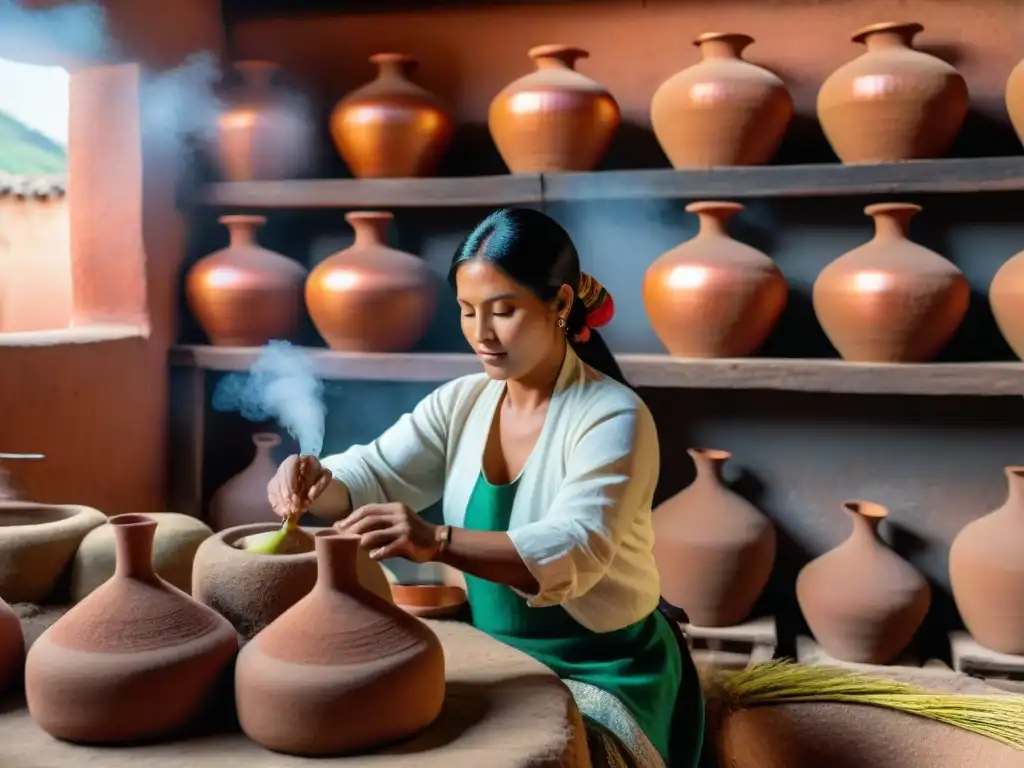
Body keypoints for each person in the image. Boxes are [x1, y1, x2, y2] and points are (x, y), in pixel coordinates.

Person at [267, 208, 705, 768]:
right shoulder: (463, 402)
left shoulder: (613, 416)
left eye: (504, 311)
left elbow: (576, 548)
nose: (482, 334)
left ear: (562, 304)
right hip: (498, 657)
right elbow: (372, 473)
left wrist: (437, 541)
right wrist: (315, 481)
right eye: (467, 312)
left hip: (603, 665)